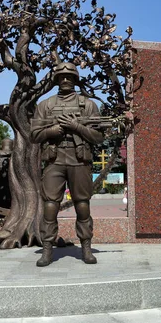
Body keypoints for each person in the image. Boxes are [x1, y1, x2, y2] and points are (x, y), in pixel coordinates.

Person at [31, 62, 104, 267]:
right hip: (54, 160)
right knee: (50, 206)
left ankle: (86, 247)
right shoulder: (45, 105)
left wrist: (77, 126)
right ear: (56, 80)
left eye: (69, 77)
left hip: (78, 159)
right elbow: (34, 135)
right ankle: (47, 248)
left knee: (82, 204)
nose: (65, 80)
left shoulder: (87, 105)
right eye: (61, 76)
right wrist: (53, 131)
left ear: (75, 80)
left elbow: (98, 136)